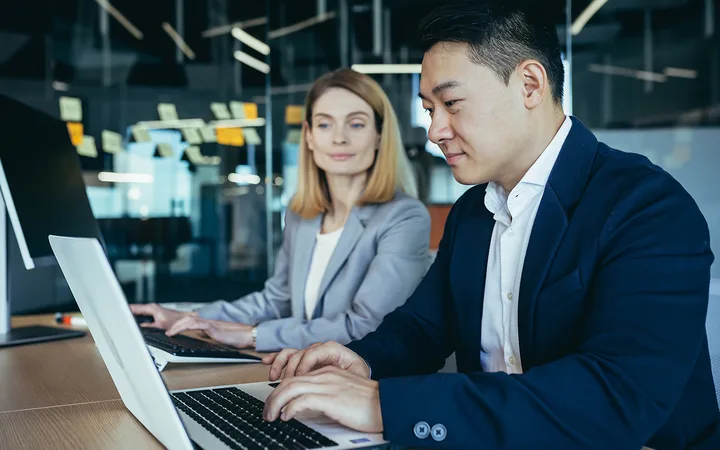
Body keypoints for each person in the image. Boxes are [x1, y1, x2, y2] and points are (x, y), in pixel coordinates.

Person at [260, 2, 720, 449]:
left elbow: (614, 396)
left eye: (452, 103)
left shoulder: (647, 207)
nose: (435, 130)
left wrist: (387, 406)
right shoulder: (472, 213)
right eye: (428, 109)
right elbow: (421, 328)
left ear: (530, 85)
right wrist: (361, 359)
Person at [130, 68, 431, 353]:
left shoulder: (403, 217)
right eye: (325, 124)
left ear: (379, 135)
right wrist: (192, 317)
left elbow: (366, 325)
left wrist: (253, 336)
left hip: (366, 383)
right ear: (309, 136)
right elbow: (276, 302)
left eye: (356, 124)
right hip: (300, 369)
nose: (339, 138)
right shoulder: (303, 215)